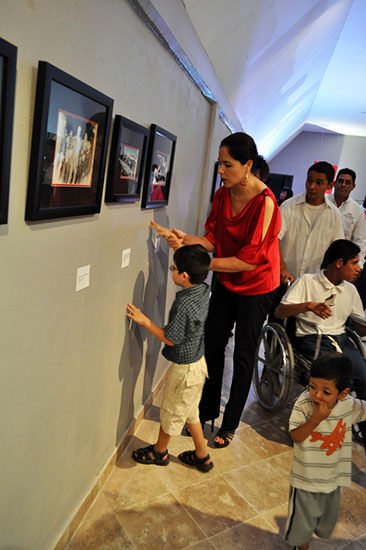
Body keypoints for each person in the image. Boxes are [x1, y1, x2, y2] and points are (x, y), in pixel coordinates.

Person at [160, 132, 281, 448]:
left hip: (257, 286)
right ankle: (205, 412)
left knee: (243, 354)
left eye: (227, 165)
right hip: (227, 279)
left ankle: (228, 426)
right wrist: (185, 238)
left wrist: (203, 265)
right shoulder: (221, 196)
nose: (221, 171)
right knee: (212, 344)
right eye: (220, 164)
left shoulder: (266, 203)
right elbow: (211, 240)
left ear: (247, 165)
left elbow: (248, 261)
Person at [127, 244, 214, 472]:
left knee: (171, 412)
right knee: (190, 411)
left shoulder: (183, 303)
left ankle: (159, 452)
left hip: (184, 371)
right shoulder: (203, 289)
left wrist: (144, 321)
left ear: (183, 276)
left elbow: (170, 337)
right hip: (198, 365)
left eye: (173, 268)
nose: (171, 270)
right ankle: (202, 455)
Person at [275, 239, 366, 447]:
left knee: (363, 376)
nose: (359, 268)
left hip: (341, 339)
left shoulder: (350, 290)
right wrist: (309, 306)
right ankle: (313, 423)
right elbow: (280, 312)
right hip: (311, 338)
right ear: (340, 263)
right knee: (334, 379)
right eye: (355, 263)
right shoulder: (308, 281)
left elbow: (360, 327)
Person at [284, 352, 366, 550]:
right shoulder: (304, 405)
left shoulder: (349, 406)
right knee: (301, 527)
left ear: (342, 394)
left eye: (326, 392)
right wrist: (315, 420)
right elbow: (296, 436)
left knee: (324, 525)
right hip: (305, 480)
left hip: (333, 478)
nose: (316, 395)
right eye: (312, 387)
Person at [279, 161, 344, 284]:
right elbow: (274, 239)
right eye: (309, 180)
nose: (312, 186)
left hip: (314, 282)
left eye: (319, 183)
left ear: (330, 185)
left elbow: (337, 249)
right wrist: (282, 268)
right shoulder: (288, 206)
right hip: (284, 278)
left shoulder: (333, 214)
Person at [328, 168, 366, 268]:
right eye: (340, 181)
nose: (343, 185)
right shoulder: (323, 201)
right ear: (335, 183)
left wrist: (358, 265)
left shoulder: (357, 211)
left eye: (348, 182)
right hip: (316, 255)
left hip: (340, 262)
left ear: (353, 186)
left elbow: (360, 241)